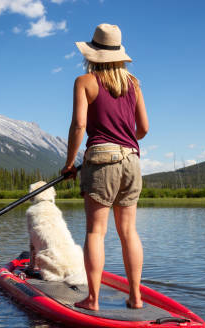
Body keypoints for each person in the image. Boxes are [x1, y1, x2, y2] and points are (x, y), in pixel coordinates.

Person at [61, 23, 149, 311]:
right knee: (129, 232)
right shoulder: (134, 84)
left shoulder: (84, 82)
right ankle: (136, 298)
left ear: (92, 53)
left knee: (95, 232)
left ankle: (93, 299)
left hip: (101, 161)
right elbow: (144, 129)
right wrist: (123, 142)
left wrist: (70, 163)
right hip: (132, 160)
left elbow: (79, 126)